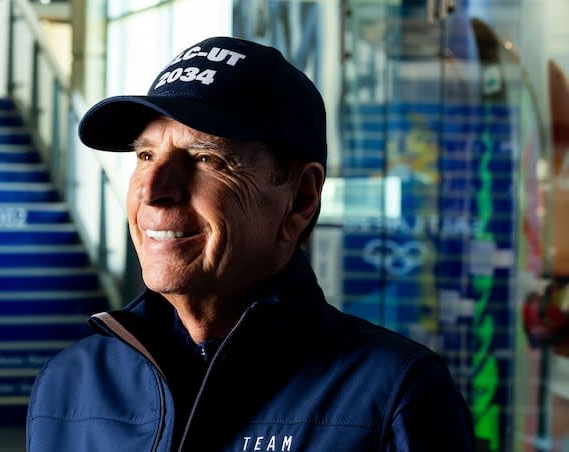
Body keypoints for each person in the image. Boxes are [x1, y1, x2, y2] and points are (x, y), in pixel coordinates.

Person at [27, 36, 476, 451]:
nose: (152, 189)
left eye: (205, 158)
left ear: (300, 198)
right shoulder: (69, 382)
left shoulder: (395, 396)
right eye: (145, 155)